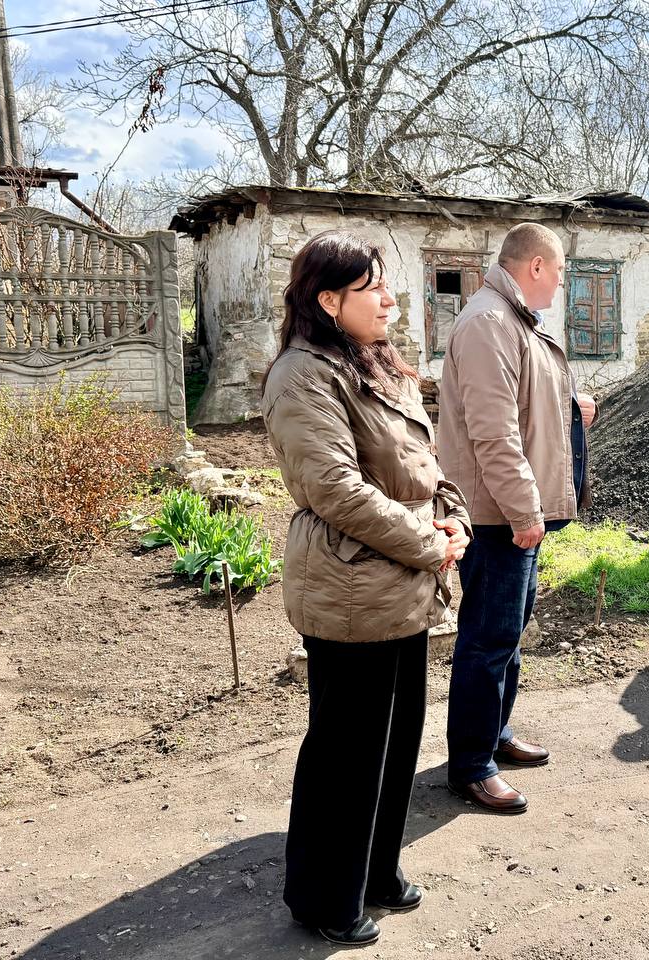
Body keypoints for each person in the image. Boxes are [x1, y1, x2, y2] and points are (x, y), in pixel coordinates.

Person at [262, 233, 471, 947]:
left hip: (401, 583)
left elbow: (420, 462)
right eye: (371, 287)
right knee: (346, 753)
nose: (388, 299)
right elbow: (334, 490)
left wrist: (452, 516)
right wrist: (431, 544)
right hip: (350, 586)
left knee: (395, 742)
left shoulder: (374, 362)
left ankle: (375, 872)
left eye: (385, 285)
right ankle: (325, 897)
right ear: (328, 300)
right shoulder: (301, 375)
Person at [438, 223, 597, 813]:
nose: (561, 282)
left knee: (507, 633)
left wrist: (570, 407)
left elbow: (521, 404)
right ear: (535, 266)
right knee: (487, 639)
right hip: (496, 514)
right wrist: (525, 510)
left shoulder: (514, 319)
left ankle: (494, 734)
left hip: (511, 508)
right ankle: (471, 765)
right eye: (560, 271)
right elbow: (493, 433)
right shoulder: (489, 322)